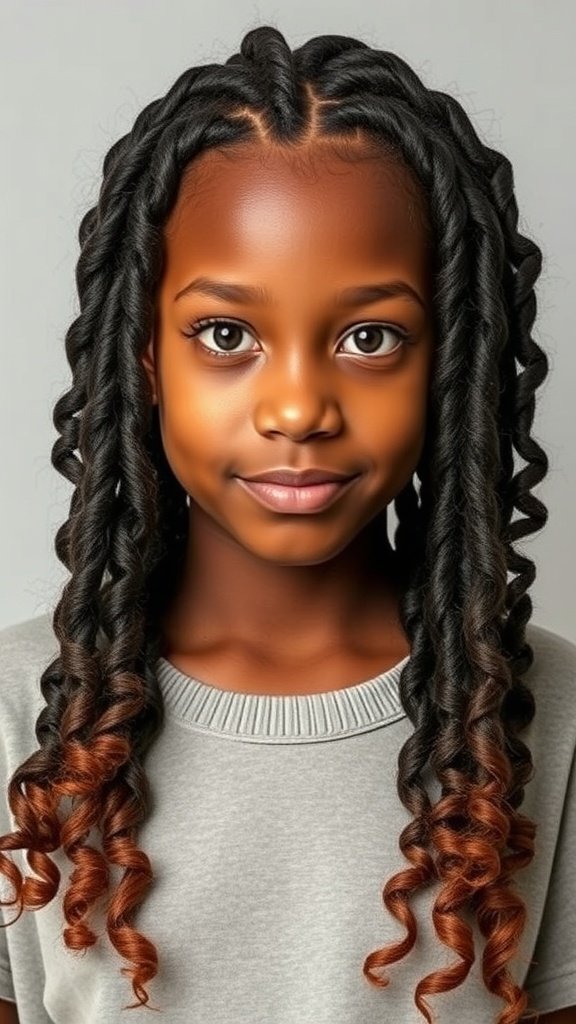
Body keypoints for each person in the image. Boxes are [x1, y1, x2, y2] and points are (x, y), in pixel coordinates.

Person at [0, 23, 574, 1024]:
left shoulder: (552, 723)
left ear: (449, 364)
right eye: (227, 334)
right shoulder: (18, 721)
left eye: (370, 336)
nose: (299, 407)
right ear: (143, 357)